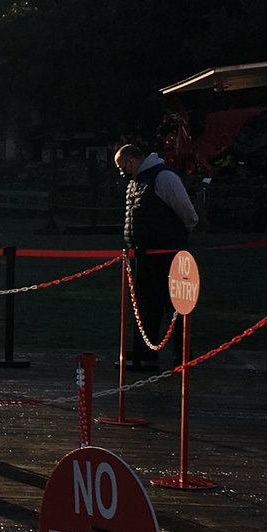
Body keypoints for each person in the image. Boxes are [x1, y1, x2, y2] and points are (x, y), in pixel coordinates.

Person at [114, 143, 198, 371]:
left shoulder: (163, 177)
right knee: (145, 305)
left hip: (166, 253)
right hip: (143, 254)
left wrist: (172, 237)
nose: (122, 172)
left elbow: (187, 213)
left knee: (174, 304)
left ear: (131, 161)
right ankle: (145, 351)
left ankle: (182, 352)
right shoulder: (138, 181)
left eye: (123, 166)